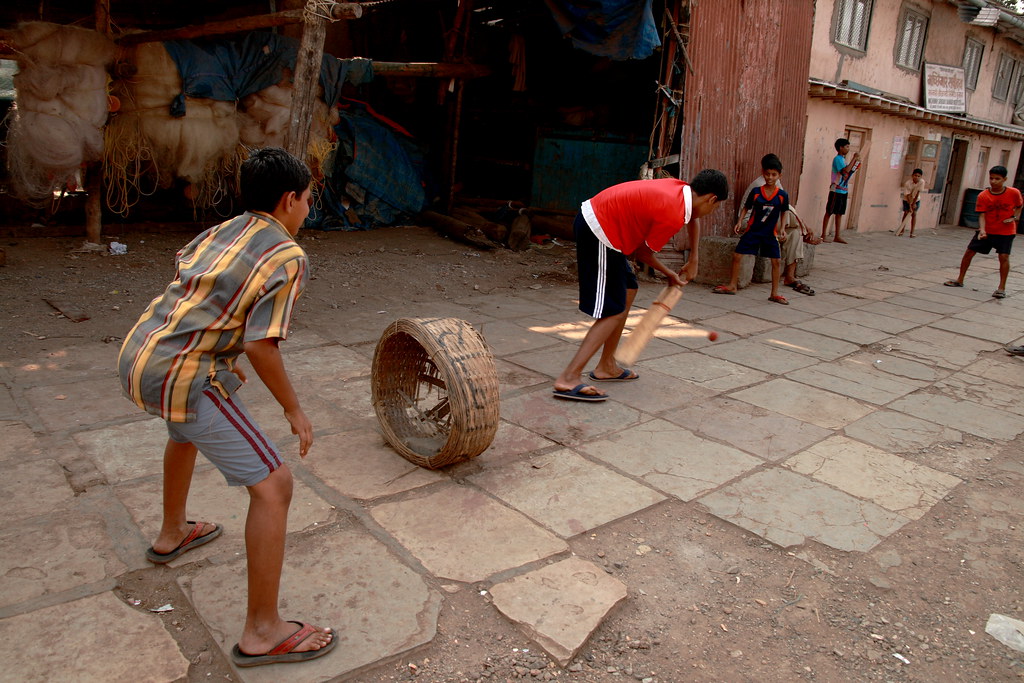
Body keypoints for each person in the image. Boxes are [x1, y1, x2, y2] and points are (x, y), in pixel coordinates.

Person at [117, 148, 336, 667]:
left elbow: (197, 286)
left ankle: (173, 533)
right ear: (290, 200)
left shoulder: (225, 228)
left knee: (184, 431)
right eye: (308, 199)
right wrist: (294, 410)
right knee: (275, 485)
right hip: (182, 374)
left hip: (141, 353)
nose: (308, 209)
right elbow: (263, 344)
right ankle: (262, 631)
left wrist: (219, 352)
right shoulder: (287, 257)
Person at [552, 170, 729, 402]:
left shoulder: (682, 190)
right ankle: (568, 378)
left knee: (628, 289)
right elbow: (641, 253)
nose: (710, 213)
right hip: (600, 230)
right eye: (715, 208)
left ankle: (606, 366)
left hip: (606, 224)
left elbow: (693, 217)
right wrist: (670, 273)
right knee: (612, 309)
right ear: (711, 198)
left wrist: (694, 257)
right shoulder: (672, 212)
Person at [712, 155, 791, 304]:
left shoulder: (782, 195)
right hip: (753, 230)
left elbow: (784, 211)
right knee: (737, 256)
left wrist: (782, 229)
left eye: (774, 175)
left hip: (770, 233)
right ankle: (732, 285)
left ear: (779, 175)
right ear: (763, 173)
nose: (770, 177)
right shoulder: (756, 191)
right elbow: (746, 207)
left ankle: (774, 293)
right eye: (767, 174)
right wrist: (740, 221)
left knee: (776, 262)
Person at [943, 165, 1022, 299]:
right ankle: (960, 279)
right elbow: (982, 215)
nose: (993, 181)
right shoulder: (983, 195)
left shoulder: (1013, 193)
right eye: (991, 178)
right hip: (988, 230)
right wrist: (982, 230)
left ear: (1004, 179)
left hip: (1006, 232)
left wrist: (1014, 218)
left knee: (1003, 257)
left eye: (997, 179)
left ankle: (1001, 288)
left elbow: (1019, 206)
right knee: (969, 252)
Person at [821, 137, 860, 244]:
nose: (848, 149)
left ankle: (837, 235)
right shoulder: (837, 159)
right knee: (829, 211)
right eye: (847, 147)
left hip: (843, 190)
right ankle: (823, 234)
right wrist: (854, 159)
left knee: (839, 213)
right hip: (836, 190)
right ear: (840, 147)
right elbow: (846, 170)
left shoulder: (843, 159)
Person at [896, 168, 925, 237]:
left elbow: (918, 193)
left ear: (921, 177)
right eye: (915, 175)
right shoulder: (907, 183)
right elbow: (908, 195)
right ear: (912, 175)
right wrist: (910, 205)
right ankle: (901, 230)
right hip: (907, 199)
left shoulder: (922, 182)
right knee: (906, 213)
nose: (916, 177)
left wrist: (914, 203)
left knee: (914, 214)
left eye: (918, 176)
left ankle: (912, 233)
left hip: (916, 200)